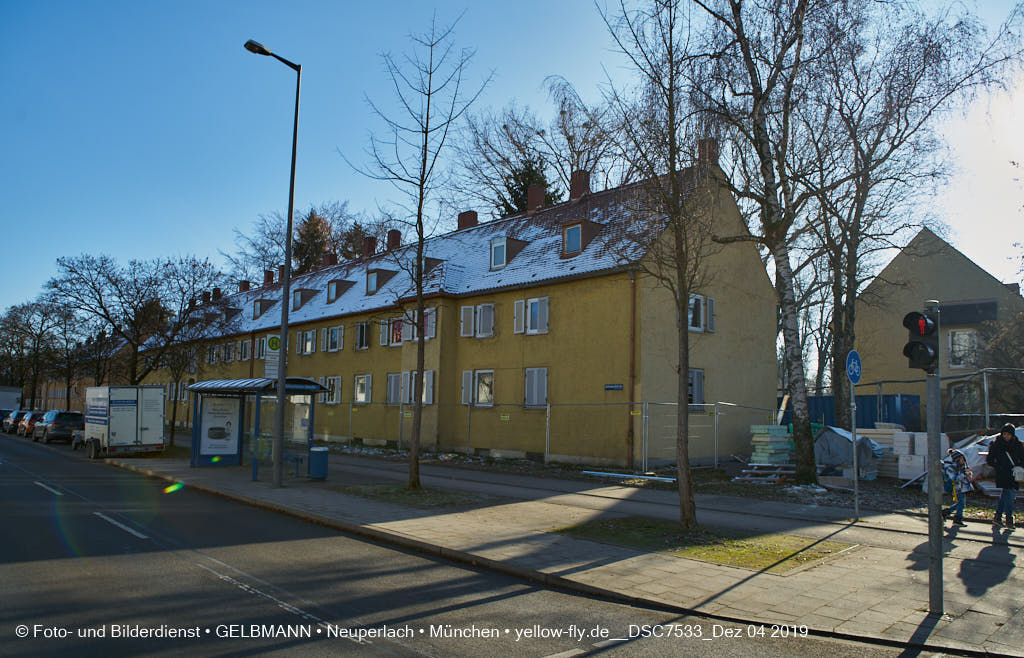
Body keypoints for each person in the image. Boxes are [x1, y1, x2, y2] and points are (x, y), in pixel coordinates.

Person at [986, 423, 1024, 529]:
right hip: (1002, 473)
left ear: (1012, 435)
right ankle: (1009, 519)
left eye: (1008, 434)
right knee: (1010, 495)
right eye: (1004, 434)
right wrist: (999, 467)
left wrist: (1020, 467)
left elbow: (1022, 458)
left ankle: (997, 517)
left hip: (1013, 473)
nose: (1006, 436)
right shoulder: (996, 444)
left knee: (1005, 495)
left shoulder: (1017, 444)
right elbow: (989, 460)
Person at [941, 449, 972, 526]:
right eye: (962, 458)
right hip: (956, 488)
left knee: (961, 503)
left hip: (962, 488)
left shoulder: (961, 467)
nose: (963, 460)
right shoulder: (951, 468)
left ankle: (946, 512)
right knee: (961, 503)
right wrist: (964, 475)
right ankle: (957, 519)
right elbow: (954, 478)